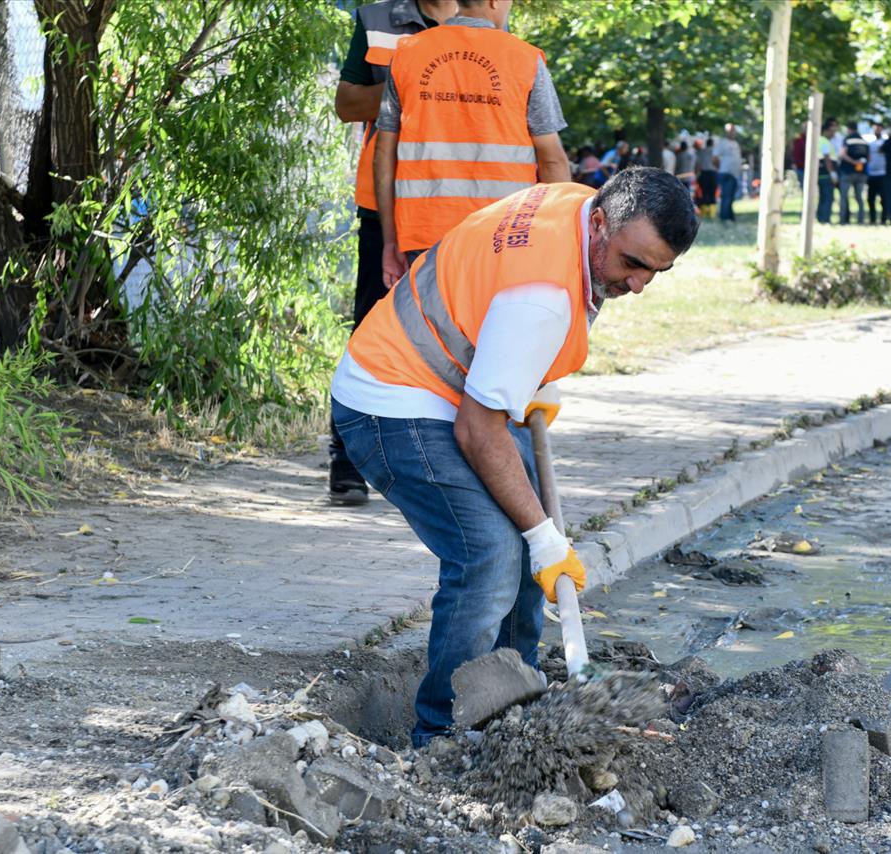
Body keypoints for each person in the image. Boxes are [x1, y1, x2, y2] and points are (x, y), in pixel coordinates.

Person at [330, 168, 699, 745]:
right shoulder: (542, 301)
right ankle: (444, 735)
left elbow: (496, 306)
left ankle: (512, 709)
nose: (640, 284)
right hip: (391, 402)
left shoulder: (579, 207)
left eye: (658, 270)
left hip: (451, 385)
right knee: (494, 552)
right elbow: (479, 430)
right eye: (633, 263)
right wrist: (546, 539)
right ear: (600, 223)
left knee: (527, 544)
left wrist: (525, 376)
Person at [330, 0, 458, 505]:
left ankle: (440, 458)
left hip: (460, 203)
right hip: (386, 202)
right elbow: (345, 104)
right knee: (369, 327)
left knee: (455, 333)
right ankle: (346, 458)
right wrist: (416, 79)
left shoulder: (484, 18)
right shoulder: (375, 18)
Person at [374, 0, 571, 289]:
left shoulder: (408, 53)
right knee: (491, 329)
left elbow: (383, 156)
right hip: (504, 234)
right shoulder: (524, 59)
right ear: (494, 1)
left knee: (431, 329)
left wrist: (390, 241)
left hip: (424, 234)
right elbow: (552, 161)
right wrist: (554, 237)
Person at [838, 121, 869, 225]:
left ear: (848, 129)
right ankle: (861, 220)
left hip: (847, 172)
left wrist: (853, 162)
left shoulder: (847, 139)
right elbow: (869, 158)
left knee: (844, 197)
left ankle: (843, 220)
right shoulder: (864, 141)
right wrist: (859, 162)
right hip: (861, 173)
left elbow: (842, 154)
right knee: (859, 197)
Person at [712, 123, 742, 222]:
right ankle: (725, 218)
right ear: (726, 132)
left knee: (731, 197)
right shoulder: (723, 143)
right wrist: (721, 168)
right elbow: (715, 158)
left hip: (734, 174)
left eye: (733, 130)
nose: (732, 132)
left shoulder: (736, 143)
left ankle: (729, 216)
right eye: (730, 130)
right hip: (726, 173)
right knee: (726, 197)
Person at [817, 118, 838, 224]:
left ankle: (821, 218)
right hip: (826, 174)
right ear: (826, 130)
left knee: (823, 197)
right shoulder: (824, 141)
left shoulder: (820, 140)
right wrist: (832, 173)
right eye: (832, 131)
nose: (833, 134)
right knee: (828, 198)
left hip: (821, 174)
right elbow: (827, 158)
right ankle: (825, 219)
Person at [865, 123, 886, 224]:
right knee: (870, 199)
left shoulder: (885, 142)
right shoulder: (870, 143)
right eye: (875, 129)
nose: (876, 131)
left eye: (878, 129)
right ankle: (872, 219)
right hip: (872, 174)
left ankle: (883, 219)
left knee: (883, 199)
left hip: (882, 174)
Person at [695, 136, 717, 216]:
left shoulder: (701, 152)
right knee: (712, 192)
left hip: (703, 173)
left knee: (704, 192)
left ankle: (704, 212)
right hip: (713, 173)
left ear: (706, 144)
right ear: (713, 144)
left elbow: (697, 165)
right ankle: (712, 213)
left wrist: (696, 175)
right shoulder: (715, 151)